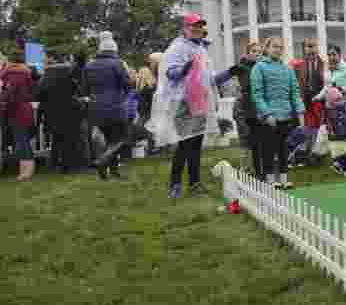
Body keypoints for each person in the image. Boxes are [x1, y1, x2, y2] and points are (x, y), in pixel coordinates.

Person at [149, 14, 232, 198]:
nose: (197, 29)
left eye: (200, 26)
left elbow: (209, 79)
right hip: (182, 102)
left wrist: (229, 73)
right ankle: (175, 184)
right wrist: (183, 70)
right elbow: (170, 73)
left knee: (195, 144)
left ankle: (194, 184)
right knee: (185, 144)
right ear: (185, 28)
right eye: (194, 26)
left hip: (199, 101)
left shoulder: (200, 49)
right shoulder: (177, 48)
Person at [250, 36, 304, 189]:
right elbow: (257, 94)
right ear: (267, 48)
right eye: (274, 46)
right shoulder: (258, 68)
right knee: (268, 149)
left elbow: (295, 92)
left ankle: (284, 179)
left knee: (283, 150)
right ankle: (270, 179)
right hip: (268, 118)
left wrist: (300, 113)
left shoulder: (287, 69)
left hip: (285, 116)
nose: (278, 50)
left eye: (280, 47)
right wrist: (267, 114)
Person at [84, 32, 132, 179]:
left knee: (107, 140)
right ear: (114, 50)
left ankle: (108, 172)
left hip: (95, 107)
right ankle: (102, 161)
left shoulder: (89, 65)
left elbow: (85, 88)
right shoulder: (117, 64)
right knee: (122, 139)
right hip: (115, 106)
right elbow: (126, 84)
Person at [313, 45, 346, 176]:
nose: (331, 57)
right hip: (332, 108)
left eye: (334, 54)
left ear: (340, 55)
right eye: (329, 55)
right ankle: (339, 164)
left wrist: (343, 89)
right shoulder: (327, 70)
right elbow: (326, 88)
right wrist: (317, 97)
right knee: (335, 136)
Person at [223, 40, 264, 173]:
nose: (257, 54)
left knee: (259, 138)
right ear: (247, 53)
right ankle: (245, 169)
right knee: (245, 138)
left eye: (259, 52)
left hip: (258, 106)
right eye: (254, 51)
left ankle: (259, 167)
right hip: (243, 106)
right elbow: (227, 75)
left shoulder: (263, 67)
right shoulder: (241, 67)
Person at [0, 40, 36, 181]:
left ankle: (25, 172)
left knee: (21, 141)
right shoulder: (26, 71)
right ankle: (26, 170)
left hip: (15, 110)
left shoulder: (10, 73)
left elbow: (9, 93)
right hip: (23, 109)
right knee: (22, 140)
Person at [291, 38, 326, 128]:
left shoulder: (325, 64)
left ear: (317, 48)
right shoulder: (298, 65)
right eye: (308, 46)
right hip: (304, 102)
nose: (311, 49)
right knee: (306, 128)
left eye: (313, 46)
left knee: (320, 129)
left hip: (320, 102)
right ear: (305, 48)